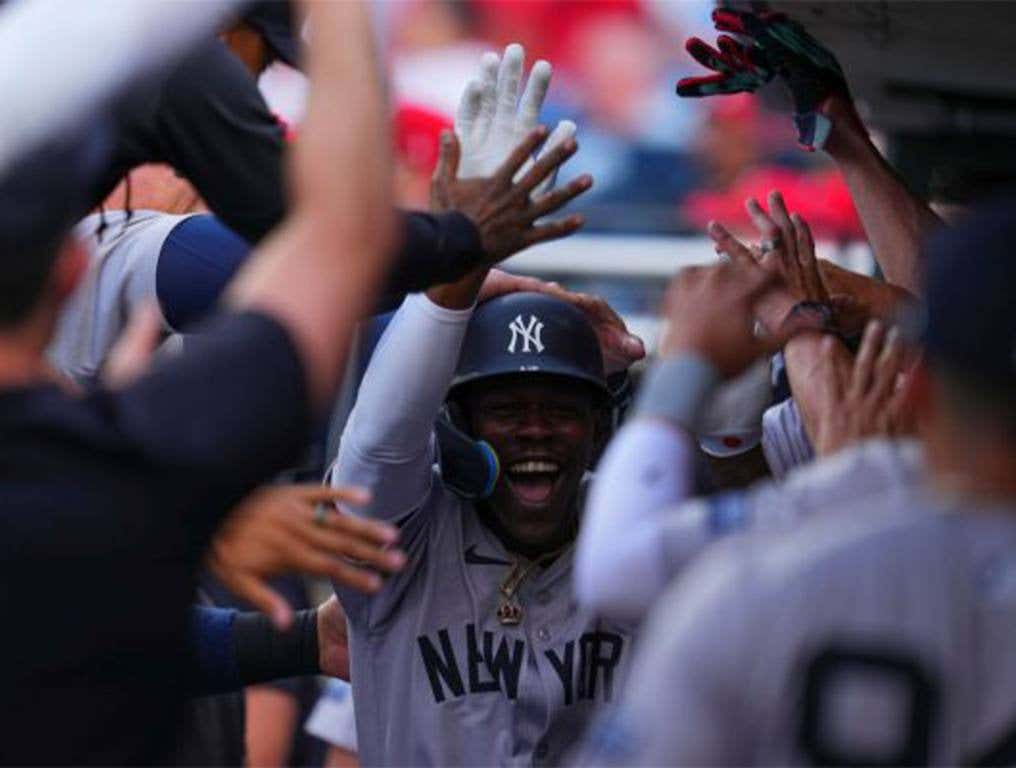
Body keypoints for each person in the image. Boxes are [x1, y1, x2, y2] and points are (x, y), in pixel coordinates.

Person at [0, 2, 399, 760]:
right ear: (69, 262)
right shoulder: (135, 463)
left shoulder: (130, 465)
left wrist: (290, 643)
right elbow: (341, 244)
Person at [576, 197, 1016, 765]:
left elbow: (618, 568)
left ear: (918, 389)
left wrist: (688, 365)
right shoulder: (863, 491)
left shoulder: (838, 529)